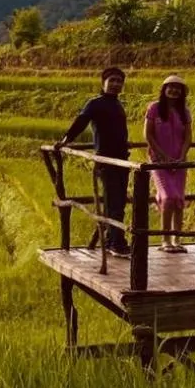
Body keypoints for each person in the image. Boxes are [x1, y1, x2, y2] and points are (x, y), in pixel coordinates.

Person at [54, 66, 131, 256]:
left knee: (119, 202)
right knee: (114, 201)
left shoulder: (118, 104)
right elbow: (81, 121)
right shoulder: (95, 103)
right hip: (106, 160)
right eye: (112, 80)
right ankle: (116, 242)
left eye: (119, 81)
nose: (115, 84)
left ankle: (111, 239)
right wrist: (66, 140)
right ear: (103, 82)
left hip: (122, 160)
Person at [144, 75, 192, 254]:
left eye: (177, 88)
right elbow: (148, 135)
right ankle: (165, 240)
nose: (174, 91)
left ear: (182, 92)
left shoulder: (184, 111)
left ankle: (177, 239)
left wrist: (181, 156)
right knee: (168, 197)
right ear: (164, 90)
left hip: (179, 161)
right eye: (170, 87)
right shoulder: (154, 108)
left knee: (179, 199)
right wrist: (162, 156)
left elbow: (188, 137)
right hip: (158, 161)